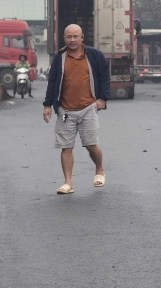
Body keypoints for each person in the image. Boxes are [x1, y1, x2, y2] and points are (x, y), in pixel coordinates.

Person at [42, 24, 111, 194]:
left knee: (91, 145)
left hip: (88, 108)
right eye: (69, 37)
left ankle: (99, 170)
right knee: (66, 147)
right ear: (64, 39)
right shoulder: (59, 58)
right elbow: (52, 82)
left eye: (75, 36)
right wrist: (47, 105)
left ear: (82, 38)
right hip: (65, 110)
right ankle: (68, 183)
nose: (72, 40)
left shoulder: (94, 55)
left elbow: (105, 77)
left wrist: (103, 99)